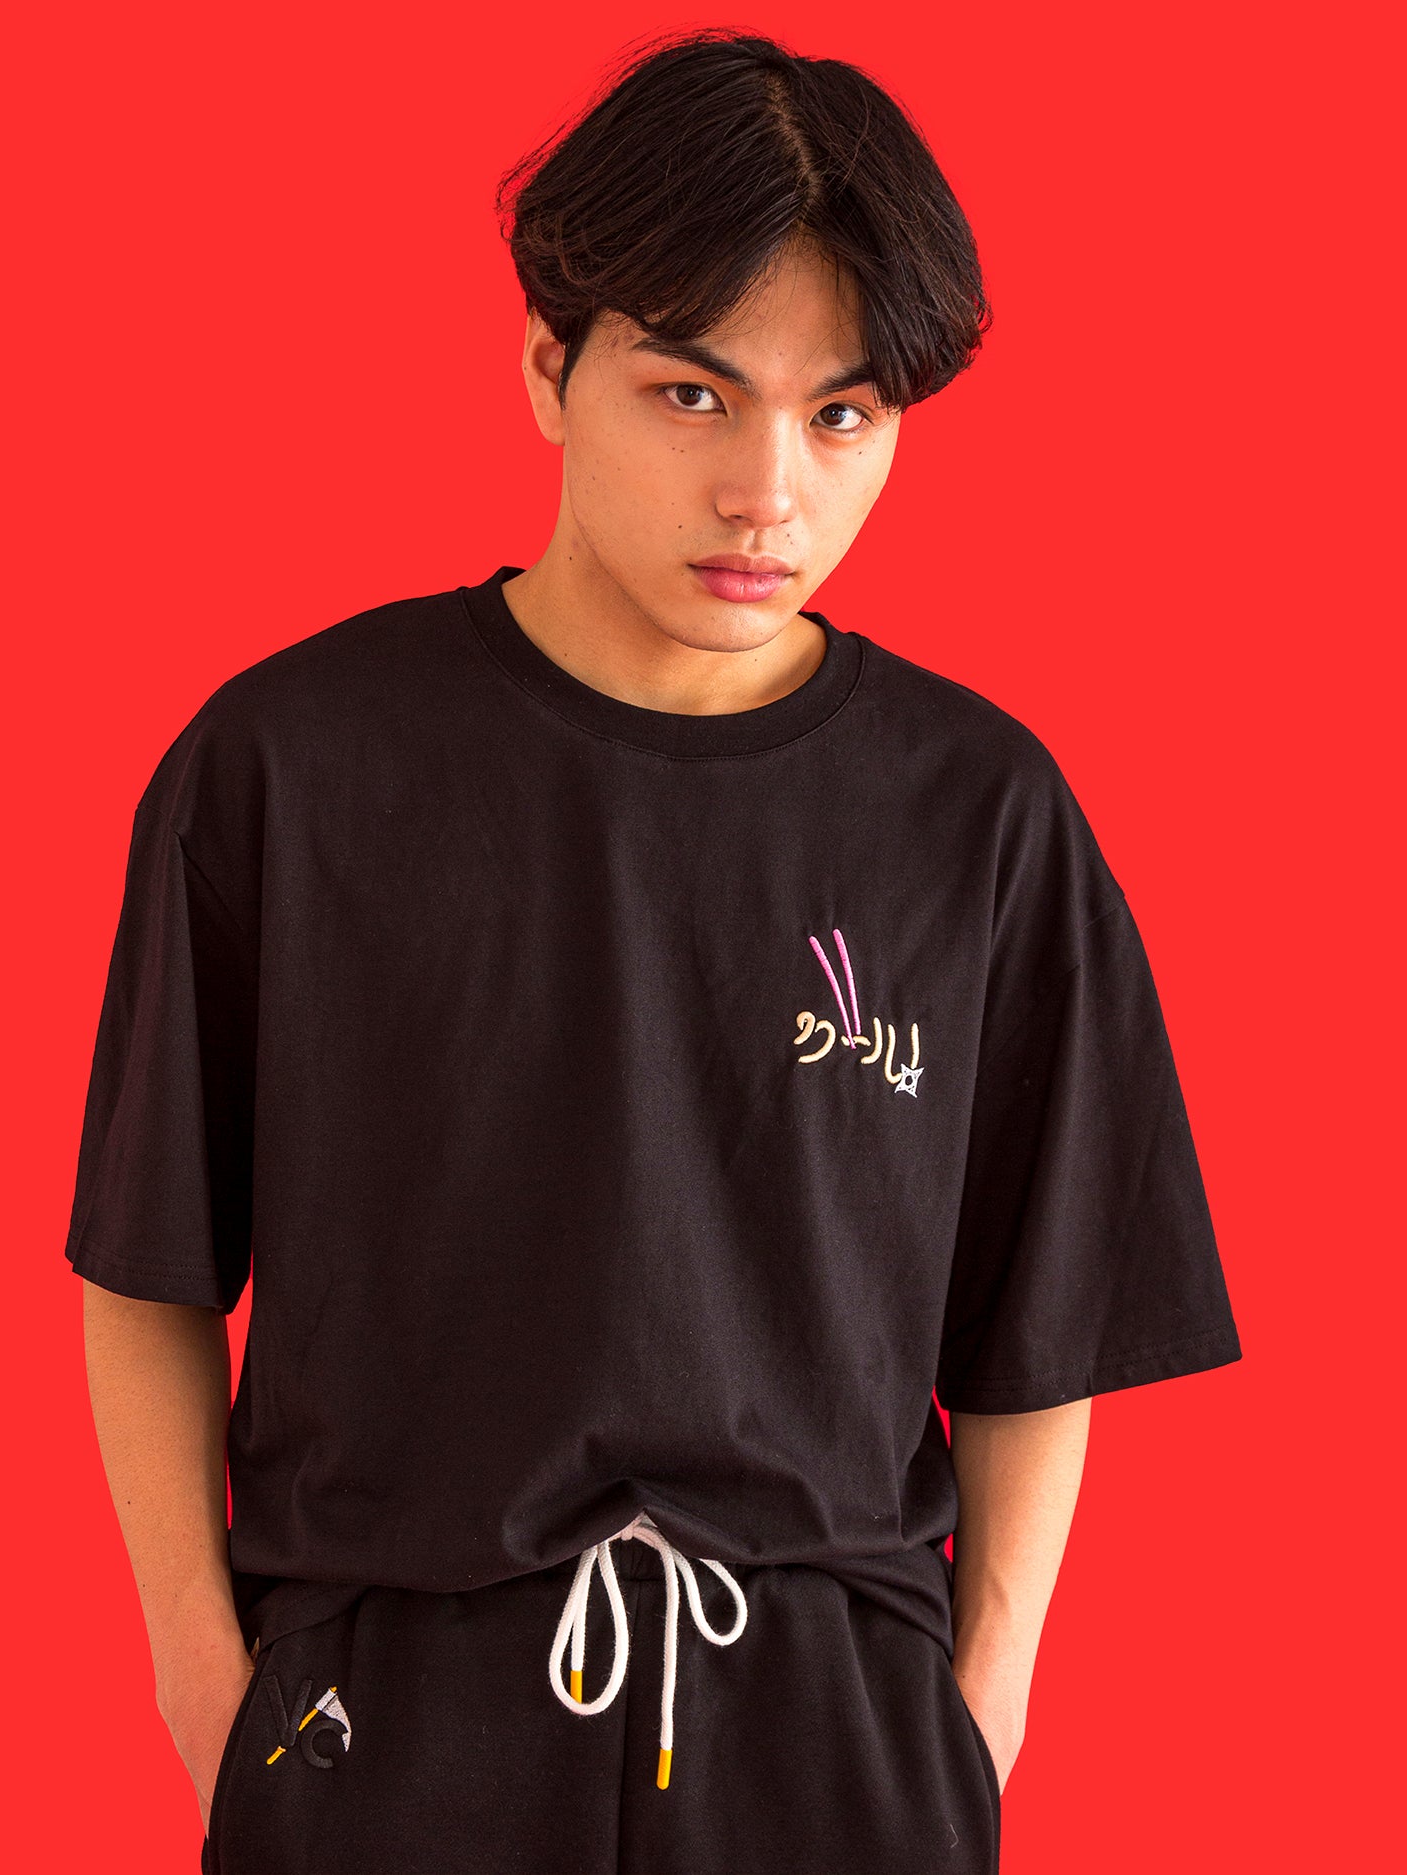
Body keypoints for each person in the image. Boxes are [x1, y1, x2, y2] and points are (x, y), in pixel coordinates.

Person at [64, 27, 1243, 1875]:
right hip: (387, 1718)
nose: (770, 491)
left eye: (843, 414)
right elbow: (147, 1267)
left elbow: (1044, 1323)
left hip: (836, 1731)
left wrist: (974, 1718)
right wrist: (212, 1701)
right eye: (694, 394)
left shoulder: (980, 813)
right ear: (550, 368)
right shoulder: (294, 766)